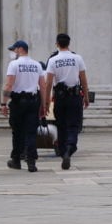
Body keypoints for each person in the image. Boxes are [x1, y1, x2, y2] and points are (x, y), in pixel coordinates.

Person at [45, 33, 89, 170]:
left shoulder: (53, 60)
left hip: (60, 97)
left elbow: (48, 83)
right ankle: (70, 148)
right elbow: (83, 80)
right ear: (69, 44)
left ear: (57, 44)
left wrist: (46, 101)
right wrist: (86, 96)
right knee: (74, 125)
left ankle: (64, 151)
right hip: (74, 96)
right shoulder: (77, 58)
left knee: (61, 125)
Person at [1, 40, 46, 173]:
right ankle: (31, 162)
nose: (13, 52)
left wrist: (4, 102)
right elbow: (42, 85)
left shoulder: (14, 64)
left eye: (14, 49)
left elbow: (9, 85)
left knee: (17, 132)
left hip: (18, 102)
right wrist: (44, 104)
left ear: (20, 49)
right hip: (33, 101)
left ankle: (16, 160)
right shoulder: (36, 65)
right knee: (31, 132)